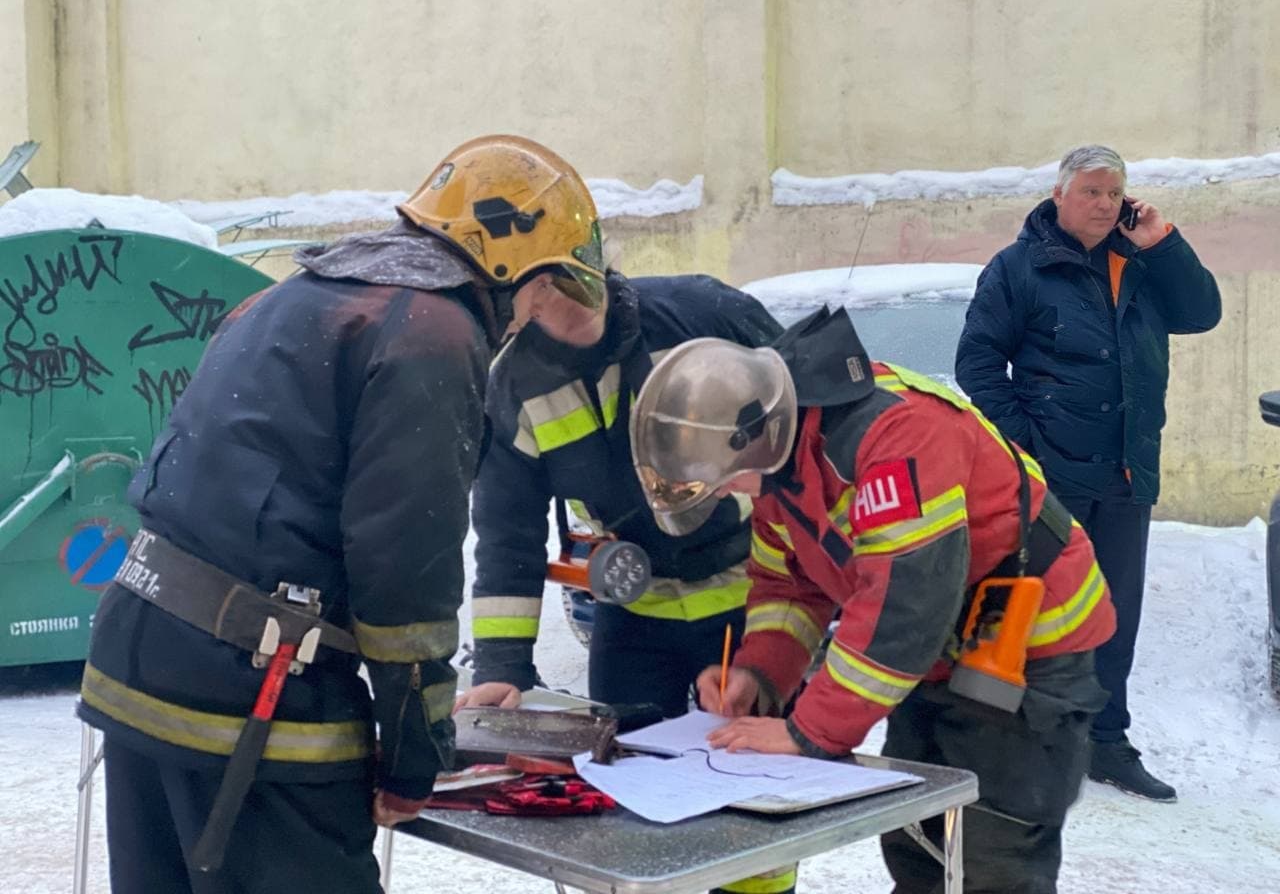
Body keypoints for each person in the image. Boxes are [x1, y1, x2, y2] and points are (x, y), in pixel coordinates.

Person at [76, 135, 607, 893]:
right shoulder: (435, 332)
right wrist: (414, 753)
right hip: (252, 700)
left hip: (140, 659)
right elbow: (405, 575)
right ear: (506, 264)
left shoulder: (301, 292)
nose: (531, 314)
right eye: (540, 288)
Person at [629, 307, 1117, 893]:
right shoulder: (781, 468)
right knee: (918, 843)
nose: (730, 492)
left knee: (994, 855)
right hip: (942, 655)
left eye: (726, 478)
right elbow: (790, 589)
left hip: (1031, 651)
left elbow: (905, 604)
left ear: (752, 434)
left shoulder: (896, 435)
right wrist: (760, 675)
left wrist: (807, 733)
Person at [452, 232, 787, 894]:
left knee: (758, 811)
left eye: (571, 282)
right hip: (635, 619)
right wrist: (503, 670)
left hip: (748, 606)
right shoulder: (515, 386)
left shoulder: (702, 312)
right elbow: (507, 536)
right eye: (539, 290)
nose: (561, 302)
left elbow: (804, 432)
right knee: (627, 811)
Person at [955, 144, 1221, 802]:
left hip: (1126, 473)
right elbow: (978, 364)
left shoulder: (1141, 263)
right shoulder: (1019, 269)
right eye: (1092, 192)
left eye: (1115, 193)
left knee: (1113, 615)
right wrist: (1026, 450)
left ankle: (1105, 742)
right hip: (1046, 478)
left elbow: (1202, 312)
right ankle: (979, 733)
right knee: (1010, 599)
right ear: (1059, 196)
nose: (1105, 204)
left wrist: (1163, 241)